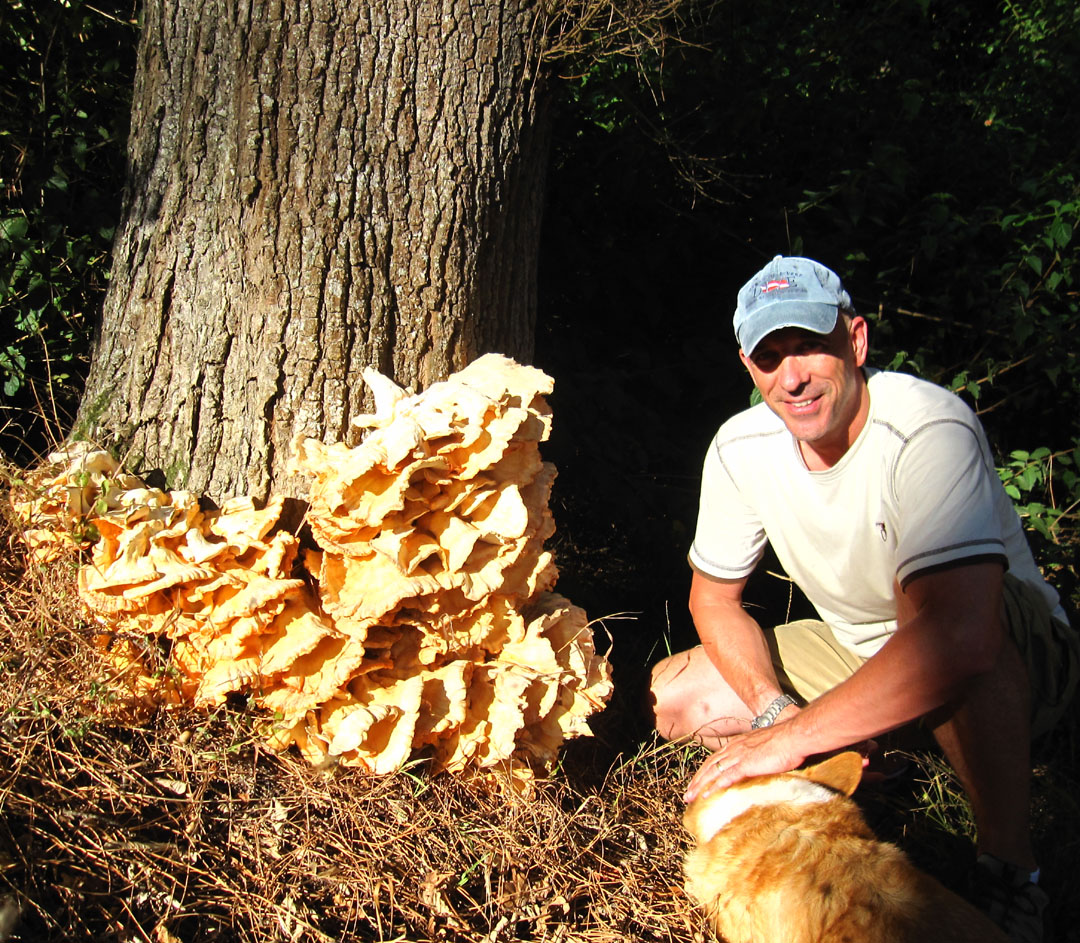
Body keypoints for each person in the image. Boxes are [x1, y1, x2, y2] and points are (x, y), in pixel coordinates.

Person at [650, 255, 1078, 943]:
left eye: (809, 347)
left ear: (855, 341)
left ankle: (1012, 868)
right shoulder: (740, 446)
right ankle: (882, 750)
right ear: (747, 365)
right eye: (769, 356)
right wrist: (775, 707)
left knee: (949, 643)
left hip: (1013, 651)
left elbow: (961, 637)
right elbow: (715, 601)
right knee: (674, 694)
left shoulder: (927, 427)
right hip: (859, 644)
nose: (791, 377)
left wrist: (790, 741)